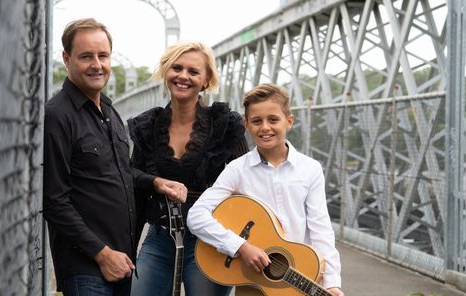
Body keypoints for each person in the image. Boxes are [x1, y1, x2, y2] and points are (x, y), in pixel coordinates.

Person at [43, 18, 187, 296]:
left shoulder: (108, 110)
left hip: (122, 261)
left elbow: (117, 172)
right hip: (87, 267)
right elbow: (54, 200)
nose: (97, 64)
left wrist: (155, 182)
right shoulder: (57, 116)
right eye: (86, 56)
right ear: (66, 58)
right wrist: (102, 254)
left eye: (103, 56)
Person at [187, 83, 345, 296]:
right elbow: (196, 216)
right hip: (254, 282)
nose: (265, 128)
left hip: (302, 277)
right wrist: (241, 246)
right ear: (246, 125)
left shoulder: (311, 169)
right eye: (256, 121)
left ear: (289, 122)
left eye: (273, 119)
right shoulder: (237, 169)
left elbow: (321, 229)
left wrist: (332, 282)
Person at [127, 41, 249, 296]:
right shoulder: (148, 126)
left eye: (193, 72)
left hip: (209, 242)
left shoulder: (225, 124)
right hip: (159, 238)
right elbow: (132, 177)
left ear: (206, 81)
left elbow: (248, 183)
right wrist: (156, 182)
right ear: (166, 73)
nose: (183, 76)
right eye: (177, 68)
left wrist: (241, 244)